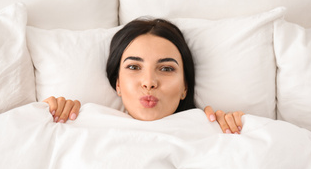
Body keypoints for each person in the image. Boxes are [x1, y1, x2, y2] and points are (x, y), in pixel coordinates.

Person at [43, 18, 244, 134]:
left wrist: (236, 130)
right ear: (118, 83)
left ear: (185, 87)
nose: (149, 83)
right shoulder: (82, 126)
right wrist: (46, 116)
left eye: (166, 69)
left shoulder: (210, 131)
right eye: (133, 67)